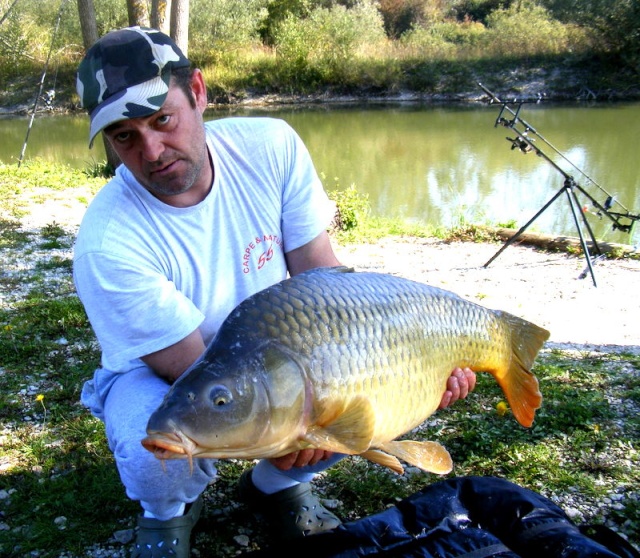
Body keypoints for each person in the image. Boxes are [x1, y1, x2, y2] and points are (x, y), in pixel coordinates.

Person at [73, 26, 476, 558]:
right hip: (168, 369)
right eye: (125, 136)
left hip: (276, 345)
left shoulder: (269, 147)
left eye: (161, 120)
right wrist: (292, 430)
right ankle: (166, 514)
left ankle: (273, 487)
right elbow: (189, 368)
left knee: (372, 388)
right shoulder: (107, 242)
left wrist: (399, 369)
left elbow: (323, 279)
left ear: (197, 91)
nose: (151, 150)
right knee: (155, 447)